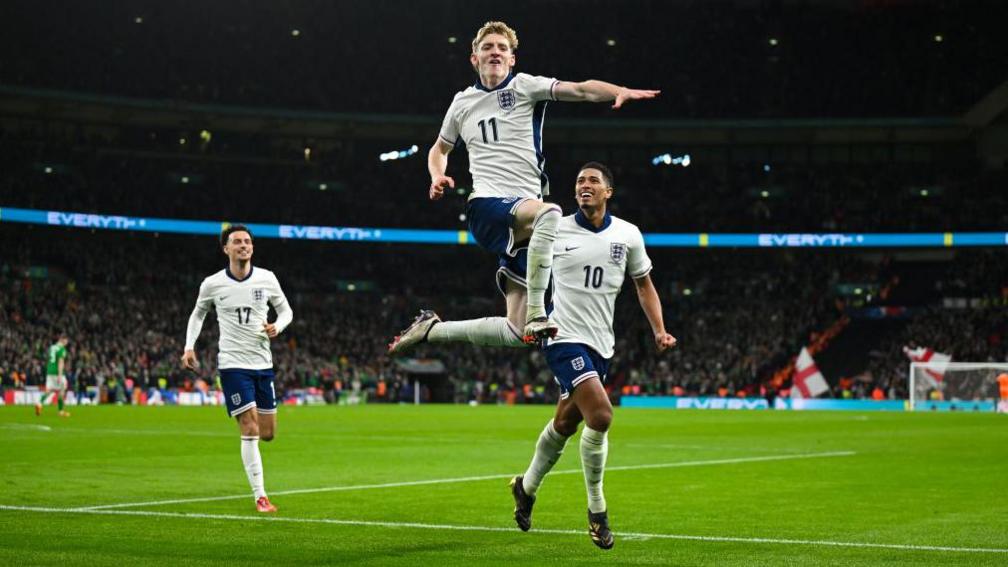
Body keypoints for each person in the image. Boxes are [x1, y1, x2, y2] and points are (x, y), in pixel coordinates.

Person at [388, 21, 659, 354]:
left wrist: (617, 91)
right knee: (552, 214)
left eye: (502, 48)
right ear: (474, 58)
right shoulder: (462, 103)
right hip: (487, 206)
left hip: (525, 222)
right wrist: (436, 175)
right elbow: (439, 149)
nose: (495, 52)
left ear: (512, 59)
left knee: (517, 332)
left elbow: (581, 89)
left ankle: (433, 330)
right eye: (487, 47)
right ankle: (537, 313)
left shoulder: (526, 87)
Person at [509, 162, 676, 549]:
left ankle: (526, 487)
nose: (584, 185)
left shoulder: (628, 235)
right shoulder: (555, 227)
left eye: (593, 181)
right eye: (580, 180)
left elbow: (644, 285)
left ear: (607, 192)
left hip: (601, 344)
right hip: (561, 335)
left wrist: (659, 330)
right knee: (600, 415)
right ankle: (597, 511)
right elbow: (524, 263)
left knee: (566, 424)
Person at [181, 225, 293, 513]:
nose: (243, 246)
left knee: (268, 433)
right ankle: (260, 496)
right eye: (237, 242)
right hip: (232, 365)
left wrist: (277, 326)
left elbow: (286, 311)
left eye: (247, 242)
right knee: (250, 426)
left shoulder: (267, 278)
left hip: (263, 364)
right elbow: (198, 313)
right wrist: (189, 347)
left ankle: (257, 471)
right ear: (226, 249)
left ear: (252, 248)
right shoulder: (212, 284)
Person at [35, 334, 71, 417]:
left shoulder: (52, 347)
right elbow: (60, 362)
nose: (66, 343)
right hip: (56, 372)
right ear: (62, 339)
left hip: (49, 371)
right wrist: (60, 375)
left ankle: (39, 403)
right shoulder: (62, 349)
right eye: (66, 341)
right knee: (63, 389)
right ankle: (61, 411)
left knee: (49, 390)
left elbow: (49, 359)